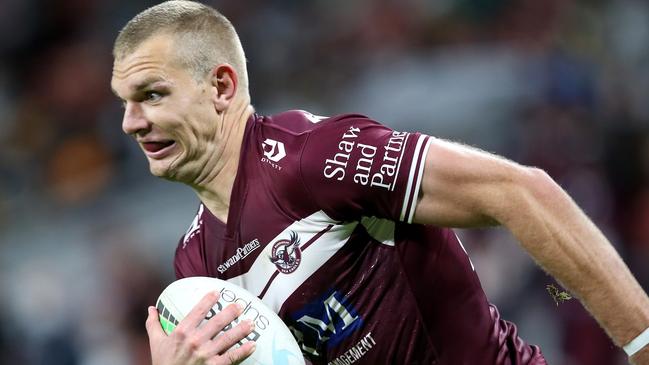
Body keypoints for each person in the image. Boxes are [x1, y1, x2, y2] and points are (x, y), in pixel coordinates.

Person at [110, 1, 649, 364]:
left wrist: (643, 343)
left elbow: (522, 192)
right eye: (124, 103)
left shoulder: (313, 159)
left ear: (221, 87)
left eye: (152, 94)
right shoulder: (194, 268)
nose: (131, 122)